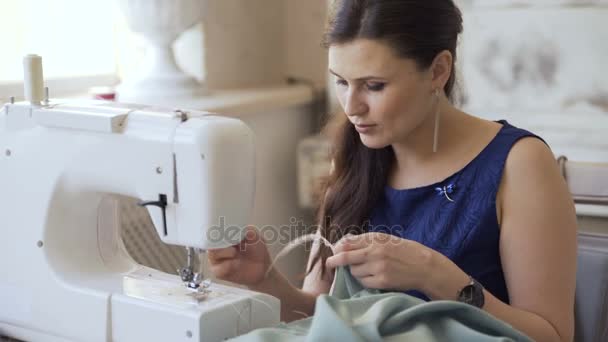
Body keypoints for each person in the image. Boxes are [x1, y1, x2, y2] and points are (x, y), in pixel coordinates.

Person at [208, 1, 577, 341]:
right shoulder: (355, 158)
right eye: (341, 81)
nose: (352, 107)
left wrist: (436, 276)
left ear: (438, 70)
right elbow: (324, 318)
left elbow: (552, 336)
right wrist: (265, 280)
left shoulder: (519, 164)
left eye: (374, 86)